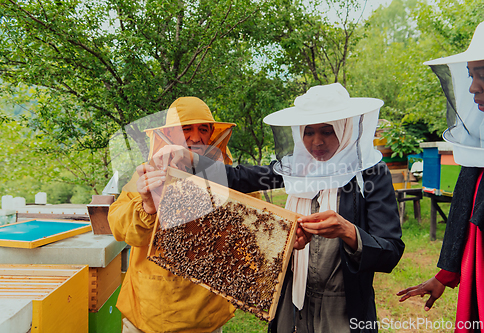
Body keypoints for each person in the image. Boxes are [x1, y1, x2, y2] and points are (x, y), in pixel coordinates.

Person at [154, 83, 405, 333]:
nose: (316, 141)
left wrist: (347, 230)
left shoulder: (371, 174)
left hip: (343, 309)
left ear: (346, 129)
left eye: (327, 131)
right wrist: (191, 159)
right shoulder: (296, 168)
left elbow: (390, 251)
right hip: (291, 304)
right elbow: (241, 177)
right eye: (308, 132)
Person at [108, 96, 238, 333]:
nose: (196, 137)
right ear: (169, 134)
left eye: (203, 129)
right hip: (148, 312)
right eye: (185, 129)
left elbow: (249, 230)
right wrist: (148, 206)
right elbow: (118, 226)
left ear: (212, 134)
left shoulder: (226, 177)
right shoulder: (148, 174)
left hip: (205, 315)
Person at [397, 21, 484, 330]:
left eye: (482, 75)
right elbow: (464, 207)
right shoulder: (478, 151)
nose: (473, 87)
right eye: (471, 75)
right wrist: (445, 274)